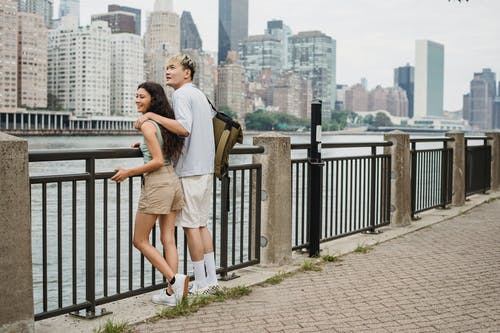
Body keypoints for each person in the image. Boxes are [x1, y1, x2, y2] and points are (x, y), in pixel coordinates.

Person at [136, 54, 221, 295]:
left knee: (191, 227)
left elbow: (183, 129)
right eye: (166, 68)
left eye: (172, 67)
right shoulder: (200, 95)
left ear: (187, 73)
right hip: (204, 167)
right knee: (202, 225)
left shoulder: (182, 94)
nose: (167, 72)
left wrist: (152, 116)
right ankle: (212, 280)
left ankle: (202, 283)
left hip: (190, 170)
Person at [111, 81, 189, 306]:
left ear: (153, 100)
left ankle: (175, 281)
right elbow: (160, 151)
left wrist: (128, 172)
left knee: (139, 239)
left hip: (157, 184)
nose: (137, 100)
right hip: (172, 181)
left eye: (141, 97)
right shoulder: (160, 123)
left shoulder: (147, 124)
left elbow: (155, 161)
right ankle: (172, 294)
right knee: (168, 239)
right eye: (136, 96)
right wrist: (143, 145)